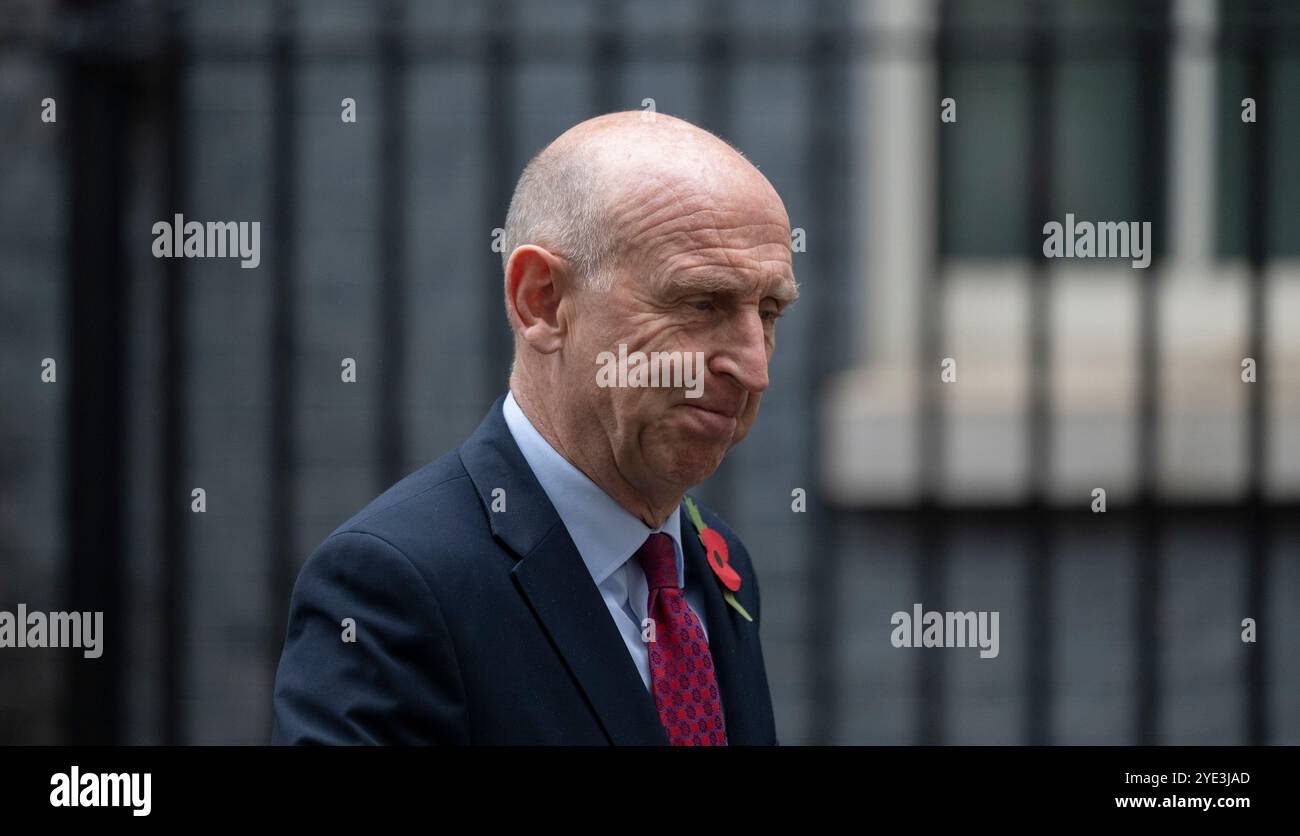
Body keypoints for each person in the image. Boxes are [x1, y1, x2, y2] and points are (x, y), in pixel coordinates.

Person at [272, 111, 798, 745]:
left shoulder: (713, 562)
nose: (753, 366)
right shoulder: (396, 585)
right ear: (541, 302)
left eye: (768, 311)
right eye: (701, 303)